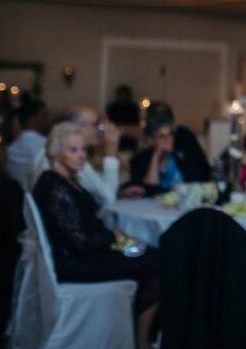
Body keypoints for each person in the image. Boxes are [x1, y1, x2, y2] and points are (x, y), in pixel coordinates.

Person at [32, 123, 160, 349]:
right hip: (77, 263)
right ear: (55, 153)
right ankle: (143, 342)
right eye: (73, 150)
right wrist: (115, 237)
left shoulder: (66, 181)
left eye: (83, 150)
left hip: (90, 254)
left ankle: (140, 334)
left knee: (148, 253)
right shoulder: (54, 188)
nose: (82, 156)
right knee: (155, 262)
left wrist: (122, 239)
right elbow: (81, 241)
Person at [29, 105, 122, 206]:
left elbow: (95, 190)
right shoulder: (68, 157)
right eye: (96, 124)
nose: (101, 130)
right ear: (75, 127)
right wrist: (111, 154)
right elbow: (109, 199)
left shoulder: (52, 148)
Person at [124, 104, 204, 196]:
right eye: (161, 136)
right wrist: (156, 156)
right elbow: (149, 190)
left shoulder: (183, 157)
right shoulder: (140, 160)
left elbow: (197, 185)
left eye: (170, 134)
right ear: (150, 140)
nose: (167, 139)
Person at [6, 98, 49, 190]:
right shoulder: (31, 140)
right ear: (33, 118)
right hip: (32, 195)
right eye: (44, 115)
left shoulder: (22, 140)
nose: (47, 118)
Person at [105, 84, 141, 151]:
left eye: (125, 94)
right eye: (121, 94)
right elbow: (110, 120)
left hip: (129, 135)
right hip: (116, 132)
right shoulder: (112, 107)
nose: (123, 96)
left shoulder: (133, 107)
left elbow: (135, 122)